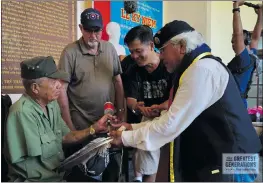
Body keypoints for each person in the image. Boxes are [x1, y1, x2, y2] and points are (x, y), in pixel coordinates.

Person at [110, 20, 262, 182]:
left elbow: (170, 123)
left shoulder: (202, 70)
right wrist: (131, 126)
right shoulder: (194, 68)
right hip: (223, 155)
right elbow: (172, 117)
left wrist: (126, 138)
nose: (160, 56)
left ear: (181, 46)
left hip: (234, 158)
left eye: (163, 50)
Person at [3, 56, 112, 182]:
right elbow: (34, 168)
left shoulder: (51, 104)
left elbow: (65, 137)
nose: (59, 85)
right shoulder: (22, 113)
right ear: (35, 88)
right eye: (53, 81)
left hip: (58, 174)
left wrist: (94, 128)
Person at [57, 8, 125, 182]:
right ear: (81, 28)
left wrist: (122, 115)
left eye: (97, 31)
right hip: (81, 128)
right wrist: (70, 129)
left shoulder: (109, 49)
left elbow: (118, 82)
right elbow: (61, 92)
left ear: (101, 30)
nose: (93, 35)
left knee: (111, 174)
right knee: (85, 177)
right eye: (88, 30)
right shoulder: (70, 52)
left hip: (108, 127)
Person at [123, 25, 172, 182]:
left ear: (151, 45)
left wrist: (162, 107)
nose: (134, 56)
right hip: (147, 120)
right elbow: (130, 99)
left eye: (138, 51)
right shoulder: (133, 70)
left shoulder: (169, 65)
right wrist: (137, 107)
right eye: (131, 52)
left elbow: (179, 97)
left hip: (171, 115)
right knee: (147, 157)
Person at [228, 1, 262, 108]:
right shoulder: (252, 56)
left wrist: (236, 8)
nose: (233, 44)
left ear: (244, 41)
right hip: (240, 104)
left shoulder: (244, 59)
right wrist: (260, 15)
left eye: (235, 41)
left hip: (234, 105)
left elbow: (237, 34)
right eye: (232, 42)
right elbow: (256, 37)